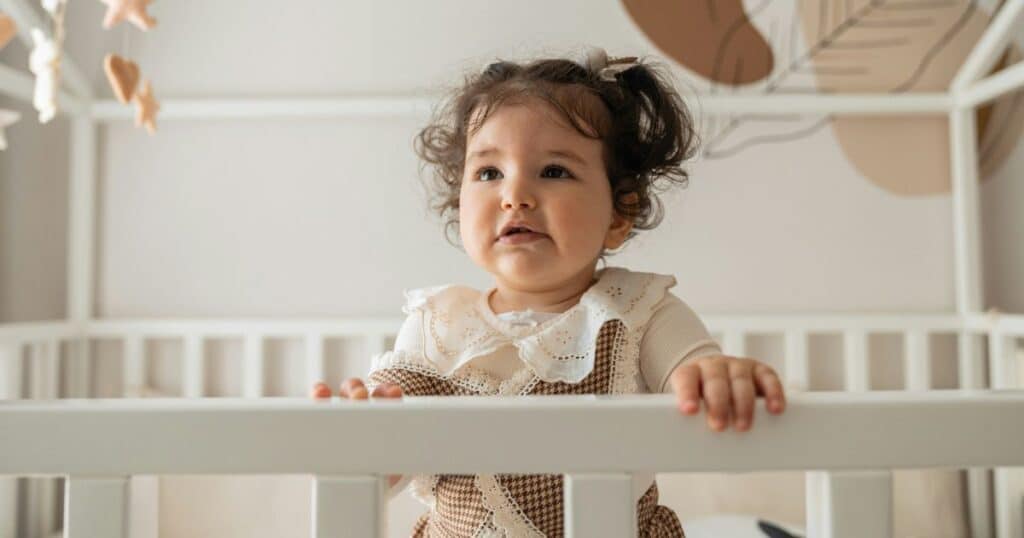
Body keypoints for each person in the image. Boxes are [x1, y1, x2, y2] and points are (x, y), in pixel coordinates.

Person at [312, 47, 787, 537]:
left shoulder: (639, 312)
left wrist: (716, 376)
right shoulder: (439, 324)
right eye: (488, 172)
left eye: (554, 171)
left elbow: (695, 376)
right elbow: (390, 460)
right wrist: (366, 432)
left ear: (620, 212)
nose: (514, 195)